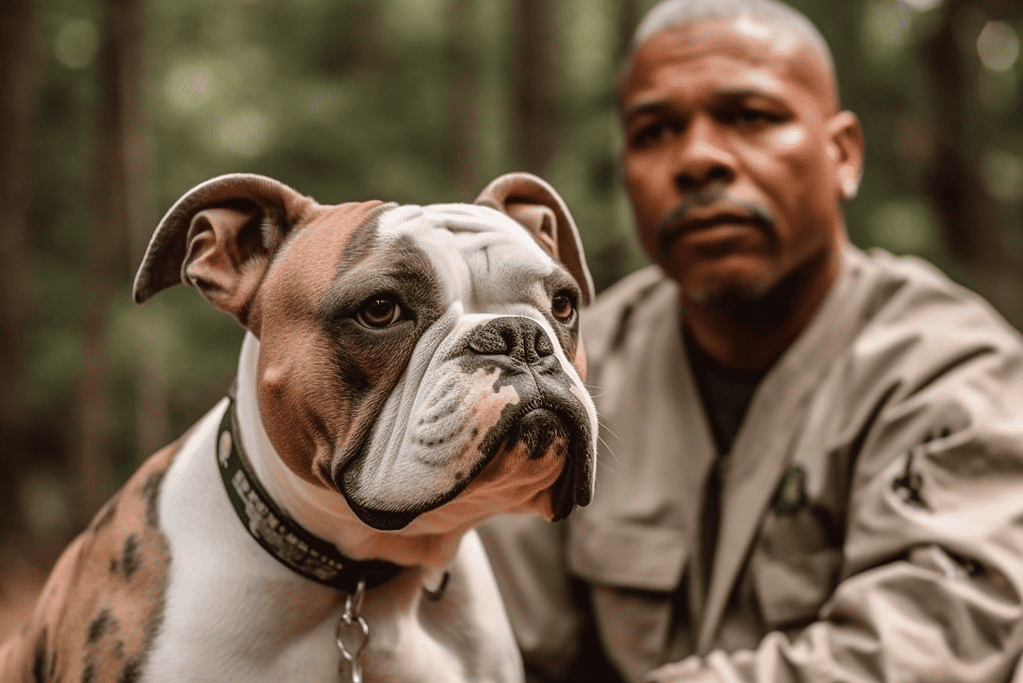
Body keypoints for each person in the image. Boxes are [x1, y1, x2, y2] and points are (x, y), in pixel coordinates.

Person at [478, 1, 1023, 681]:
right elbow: (489, 649)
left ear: (842, 155)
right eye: (655, 131)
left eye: (750, 117)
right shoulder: (567, 373)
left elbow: (925, 654)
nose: (697, 158)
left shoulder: (949, 373)